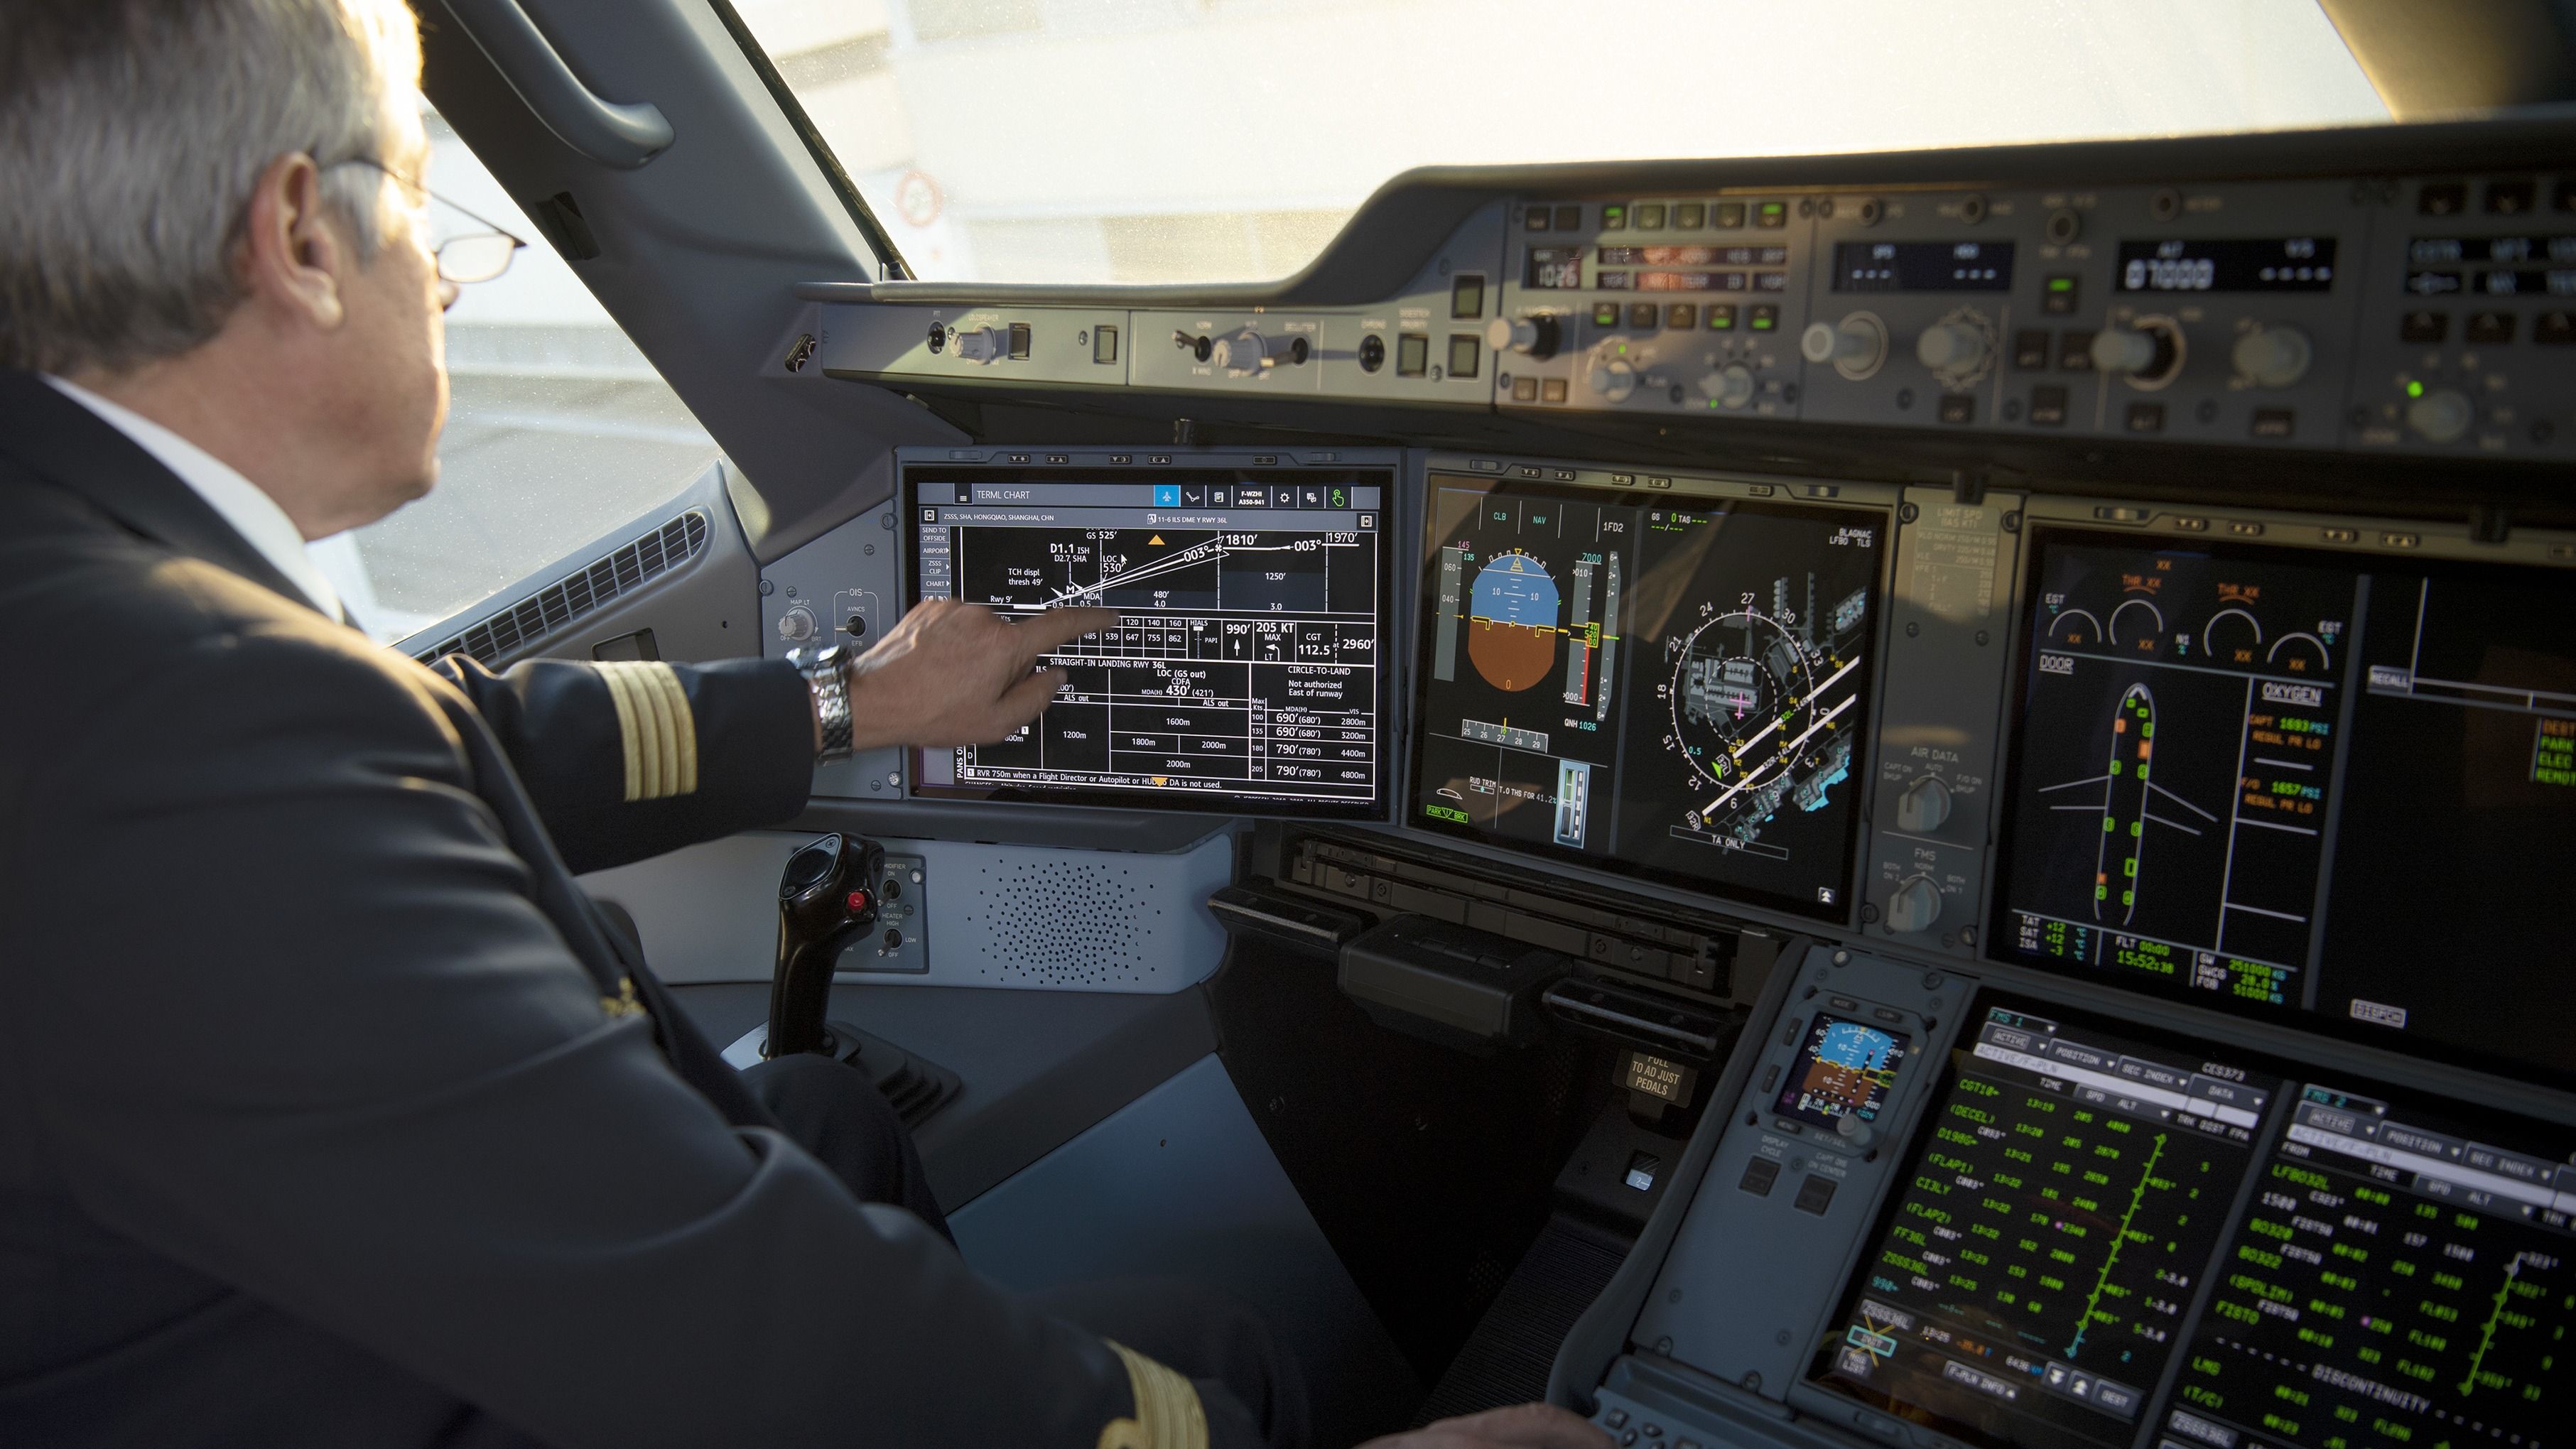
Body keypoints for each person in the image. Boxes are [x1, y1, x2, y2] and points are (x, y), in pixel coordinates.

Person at [0, 4, 1614, 1448]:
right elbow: (702, 1320)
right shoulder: (184, 728)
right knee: (1213, 1362)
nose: (436, 273)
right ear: (295, 233)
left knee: (820, 1112)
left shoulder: (93, 596)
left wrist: (854, 699)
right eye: (421, 208)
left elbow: (462, 733)